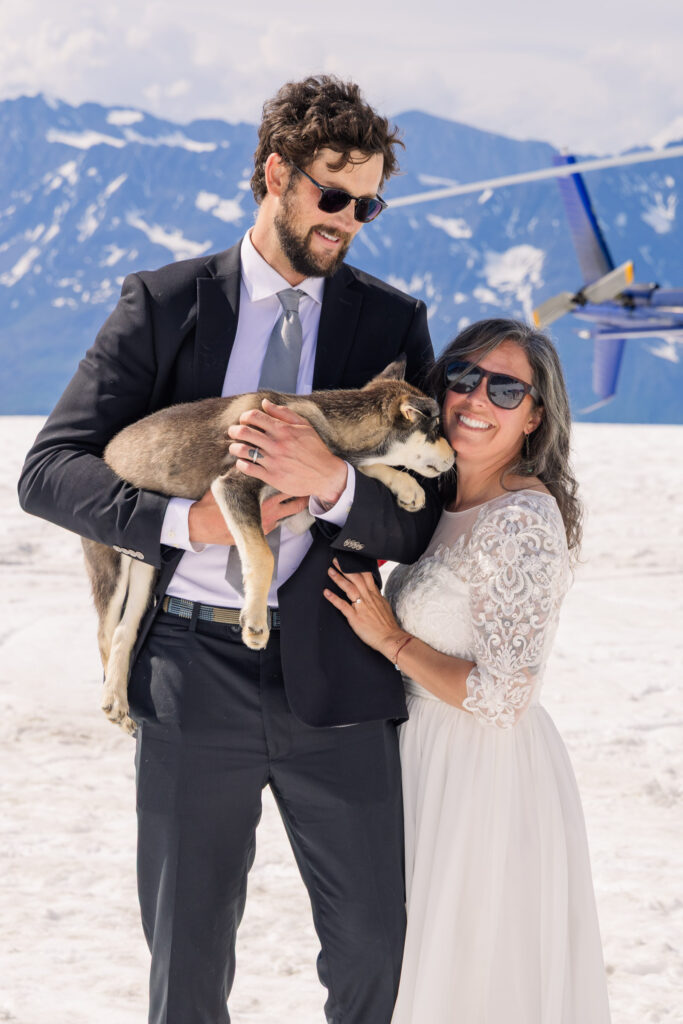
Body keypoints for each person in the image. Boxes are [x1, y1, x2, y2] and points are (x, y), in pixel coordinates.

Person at [18, 75, 442, 1024]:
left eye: (367, 204)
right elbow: (48, 473)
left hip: (340, 667)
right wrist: (188, 525)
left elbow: (420, 519)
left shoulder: (389, 323)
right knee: (189, 955)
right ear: (274, 174)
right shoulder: (164, 305)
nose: (349, 223)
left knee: (378, 946)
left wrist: (335, 488)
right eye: (332, 197)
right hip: (186, 667)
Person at [324, 318, 612, 1023]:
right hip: (419, 759)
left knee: (471, 972)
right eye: (463, 376)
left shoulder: (520, 519)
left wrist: (390, 640)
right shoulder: (439, 499)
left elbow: (504, 695)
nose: (475, 398)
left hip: (480, 775)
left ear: (534, 416)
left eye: (506, 388)